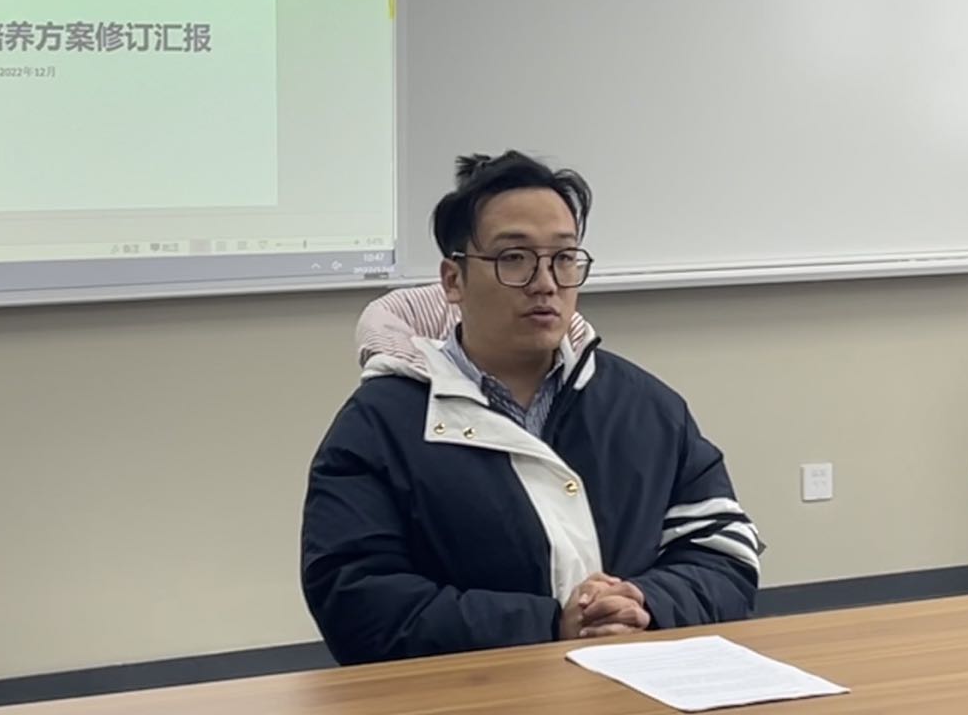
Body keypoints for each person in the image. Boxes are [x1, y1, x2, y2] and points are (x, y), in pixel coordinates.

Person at [300, 151, 760, 665]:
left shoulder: (646, 407)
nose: (546, 282)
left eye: (564, 258)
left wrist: (644, 603)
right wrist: (549, 624)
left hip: (638, 681)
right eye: (514, 258)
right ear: (453, 280)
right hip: (473, 693)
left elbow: (725, 551)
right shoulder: (381, 423)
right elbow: (356, 600)